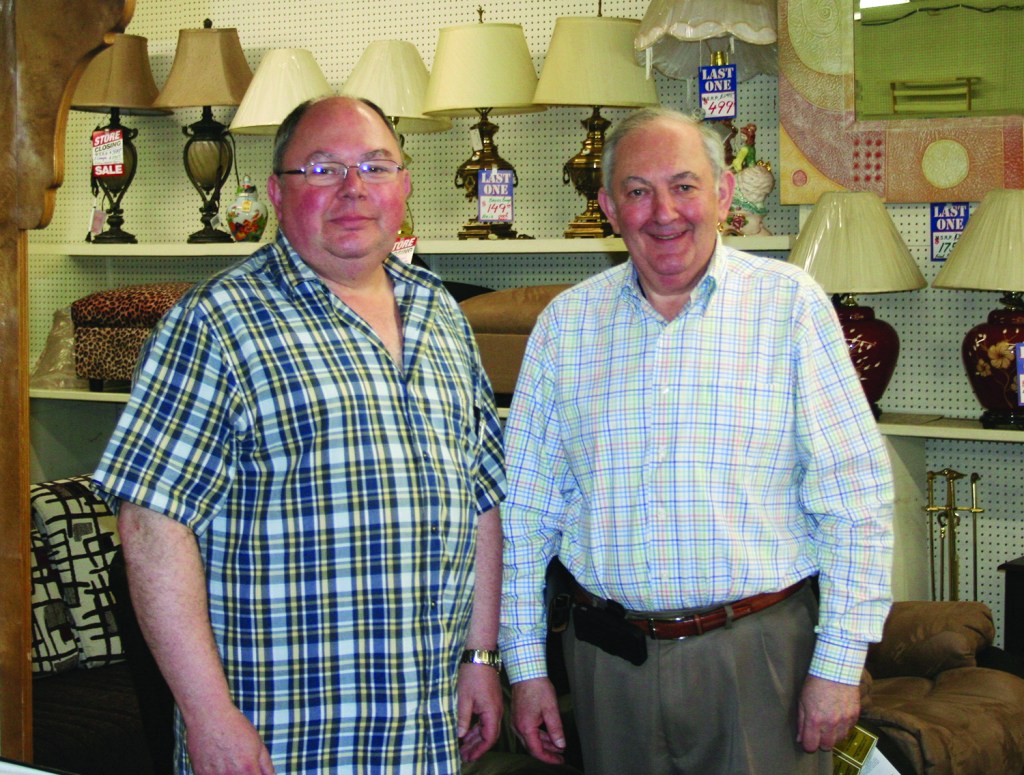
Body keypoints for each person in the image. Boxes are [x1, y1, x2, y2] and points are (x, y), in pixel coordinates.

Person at [92, 96, 507, 775]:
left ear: (404, 186)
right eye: (321, 168)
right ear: (279, 194)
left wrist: (481, 656)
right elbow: (149, 525)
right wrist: (205, 712)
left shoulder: (440, 313)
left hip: (421, 729)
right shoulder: (216, 323)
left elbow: (482, 494)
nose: (353, 188)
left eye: (375, 165)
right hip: (279, 735)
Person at [498, 107, 894, 775]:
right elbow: (524, 517)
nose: (663, 212)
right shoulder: (565, 327)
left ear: (723, 195)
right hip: (608, 665)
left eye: (684, 185)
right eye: (637, 190)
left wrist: (838, 665)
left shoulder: (789, 307)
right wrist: (526, 666)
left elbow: (855, 501)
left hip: (760, 657)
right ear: (607, 207)